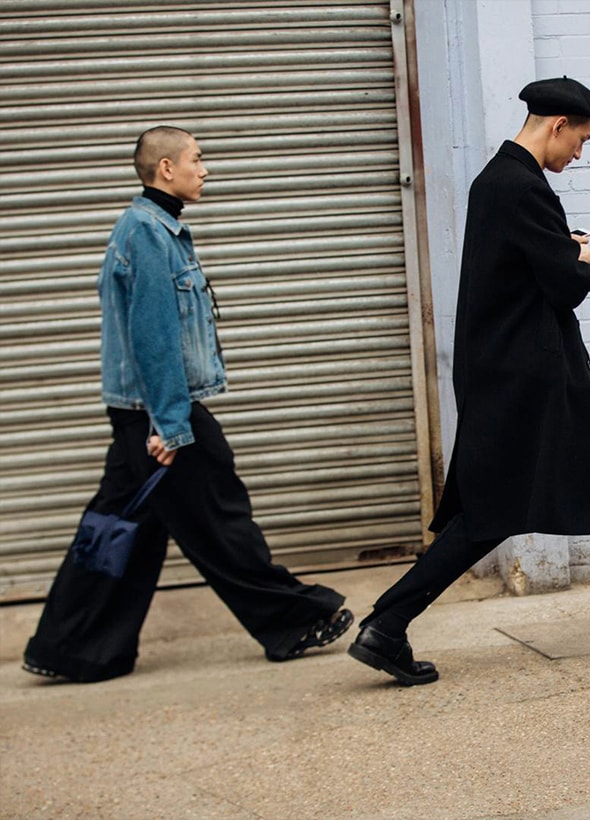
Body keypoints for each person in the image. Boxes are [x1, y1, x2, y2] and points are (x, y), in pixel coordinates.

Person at [348, 78, 590, 685]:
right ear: (556, 124)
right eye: (580, 141)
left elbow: (539, 272)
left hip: (507, 379)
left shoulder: (494, 182)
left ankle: (387, 625)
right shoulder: (522, 186)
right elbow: (565, 284)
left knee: (488, 514)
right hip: (542, 382)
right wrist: (581, 255)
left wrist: (573, 255)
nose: (579, 155)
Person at [22, 126, 352, 683]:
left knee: (124, 525)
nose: (206, 169)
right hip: (159, 411)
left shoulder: (156, 228)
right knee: (220, 518)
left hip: (143, 410)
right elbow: (154, 339)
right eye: (197, 160)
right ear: (166, 169)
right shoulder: (148, 233)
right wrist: (171, 426)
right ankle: (292, 619)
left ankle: (71, 647)